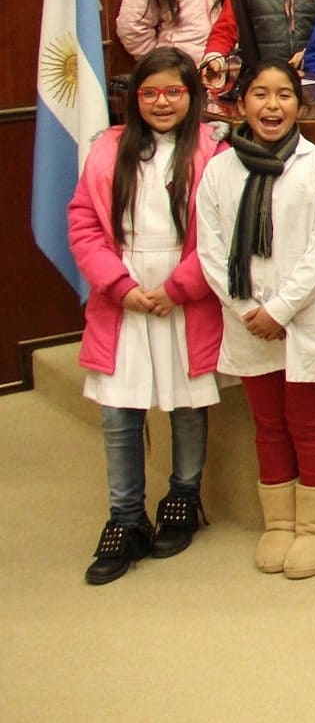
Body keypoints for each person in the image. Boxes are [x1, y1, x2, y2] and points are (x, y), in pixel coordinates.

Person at [68, 49, 224, 584]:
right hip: (123, 293)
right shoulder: (107, 149)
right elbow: (84, 224)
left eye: (174, 92)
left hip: (184, 290)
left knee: (185, 405)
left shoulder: (211, 150)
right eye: (151, 92)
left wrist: (180, 287)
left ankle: (184, 496)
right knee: (119, 412)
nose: (162, 102)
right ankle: (127, 517)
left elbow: (219, 235)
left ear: (191, 97)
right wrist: (120, 286)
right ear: (134, 98)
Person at [193, 59, 315, 579]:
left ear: (300, 105)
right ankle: (279, 523)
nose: (272, 105)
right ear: (241, 104)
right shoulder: (219, 170)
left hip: (303, 317)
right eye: (260, 94)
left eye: (284, 95)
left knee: (309, 422)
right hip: (247, 318)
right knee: (269, 423)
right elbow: (210, 249)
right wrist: (247, 311)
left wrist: (280, 310)